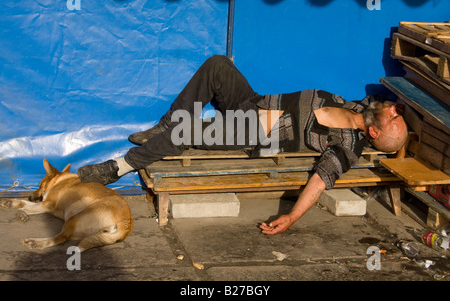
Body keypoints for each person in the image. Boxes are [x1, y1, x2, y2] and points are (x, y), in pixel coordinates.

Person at [78, 55, 408, 235]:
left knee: (187, 133)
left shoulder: (348, 147)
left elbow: (321, 181)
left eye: (394, 117)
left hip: (253, 133)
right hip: (254, 102)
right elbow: (390, 99)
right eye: (395, 110)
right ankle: (167, 123)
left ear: (376, 135)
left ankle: (118, 167)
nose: (393, 109)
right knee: (218, 65)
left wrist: (291, 218)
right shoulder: (359, 106)